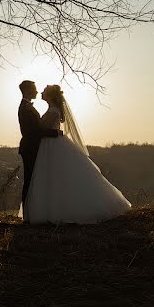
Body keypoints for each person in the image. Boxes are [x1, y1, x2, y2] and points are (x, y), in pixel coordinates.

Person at [22, 84, 131, 224]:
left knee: (55, 178)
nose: (41, 92)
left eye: (44, 91)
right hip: (50, 145)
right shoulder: (53, 110)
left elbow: (40, 129)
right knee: (54, 178)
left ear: (50, 96)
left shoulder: (52, 111)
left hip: (51, 146)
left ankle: (55, 210)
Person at [17, 80, 60, 213]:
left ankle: (33, 211)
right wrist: (56, 133)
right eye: (34, 89)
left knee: (33, 180)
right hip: (30, 148)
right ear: (28, 90)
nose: (36, 91)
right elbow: (34, 131)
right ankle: (28, 213)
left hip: (34, 147)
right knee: (30, 180)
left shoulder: (27, 106)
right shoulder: (25, 108)